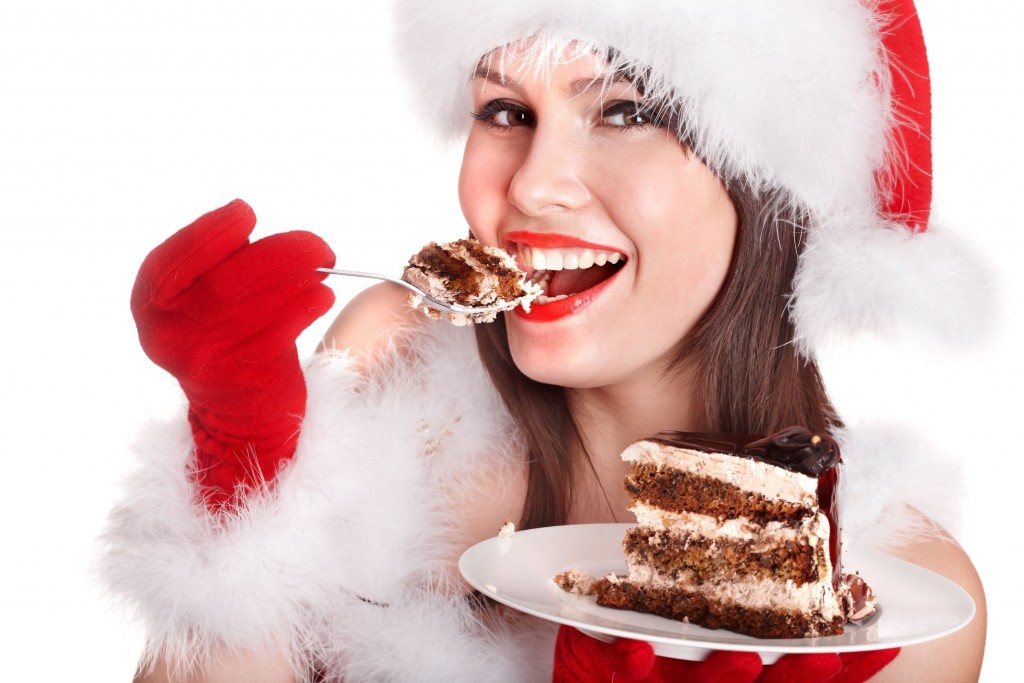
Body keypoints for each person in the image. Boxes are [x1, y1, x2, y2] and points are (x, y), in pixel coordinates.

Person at [103, 0, 988, 681]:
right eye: (504, 111)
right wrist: (241, 463)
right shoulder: (394, 379)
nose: (532, 186)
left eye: (626, 110)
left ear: (777, 189)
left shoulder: (903, 598)